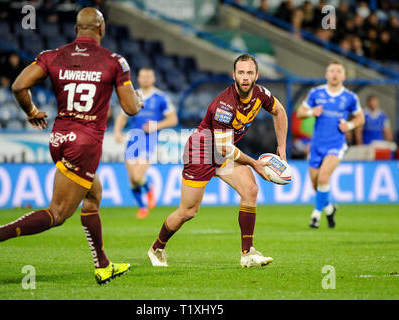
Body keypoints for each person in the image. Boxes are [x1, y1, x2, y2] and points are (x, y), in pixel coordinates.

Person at [0, 7, 143, 284]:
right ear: (101, 30)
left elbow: (19, 85)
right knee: (57, 213)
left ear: (76, 29)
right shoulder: (115, 61)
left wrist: (31, 111)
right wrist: (138, 99)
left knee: (93, 195)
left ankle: (103, 265)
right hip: (86, 144)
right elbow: (130, 108)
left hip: (59, 139)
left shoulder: (52, 56)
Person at [147, 54, 288, 268]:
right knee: (188, 211)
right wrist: (254, 163)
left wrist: (282, 147)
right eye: (241, 73)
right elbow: (224, 148)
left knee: (250, 190)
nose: (245, 77)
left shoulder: (261, 94)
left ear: (256, 75)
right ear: (234, 75)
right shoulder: (224, 105)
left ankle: (247, 253)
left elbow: (279, 111)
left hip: (224, 153)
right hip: (201, 152)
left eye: (250, 73)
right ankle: (157, 248)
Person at [297, 61, 365, 229]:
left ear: (344, 76)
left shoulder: (350, 97)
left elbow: (360, 118)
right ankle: (329, 208)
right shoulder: (316, 93)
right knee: (316, 184)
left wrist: (349, 126)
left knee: (323, 178)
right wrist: (312, 112)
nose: (335, 74)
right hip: (317, 144)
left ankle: (315, 216)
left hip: (336, 143)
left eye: (338, 71)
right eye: (332, 71)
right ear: (327, 75)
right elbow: (300, 113)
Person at [114, 67, 178, 219]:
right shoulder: (133, 96)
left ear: (153, 78)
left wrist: (155, 126)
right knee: (132, 180)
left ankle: (148, 193)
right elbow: (122, 117)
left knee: (137, 176)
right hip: (133, 139)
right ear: (138, 78)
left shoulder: (161, 97)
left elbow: (173, 119)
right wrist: (117, 131)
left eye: (149, 76)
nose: (146, 79)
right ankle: (143, 205)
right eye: (143, 76)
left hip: (149, 140)